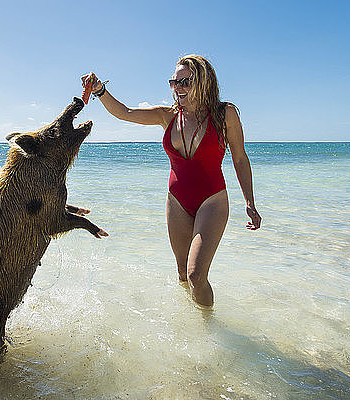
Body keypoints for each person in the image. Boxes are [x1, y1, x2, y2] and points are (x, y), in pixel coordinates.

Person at [82, 54, 261, 307]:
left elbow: (240, 159)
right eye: (174, 82)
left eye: (185, 82)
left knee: (196, 275)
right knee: (182, 275)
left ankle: (209, 329)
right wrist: (100, 90)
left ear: (203, 82)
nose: (178, 88)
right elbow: (125, 112)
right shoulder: (167, 116)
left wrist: (250, 201)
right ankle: (190, 325)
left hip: (212, 200)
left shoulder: (225, 114)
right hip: (176, 201)